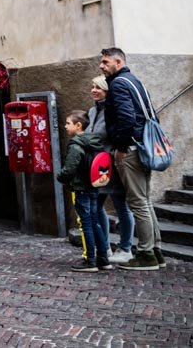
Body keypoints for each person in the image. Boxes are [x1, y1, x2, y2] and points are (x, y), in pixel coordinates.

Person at [100, 47, 164, 271]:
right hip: (142, 147)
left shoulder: (118, 84)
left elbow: (126, 118)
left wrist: (120, 146)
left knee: (138, 202)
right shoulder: (134, 80)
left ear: (119, 62)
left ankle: (146, 254)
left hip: (131, 150)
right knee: (145, 200)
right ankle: (156, 251)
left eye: (106, 62)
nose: (101, 65)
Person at [87, 76, 134, 263]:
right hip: (95, 166)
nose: (93, 90)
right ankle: (105, 247)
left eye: (98, 87)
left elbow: (119, 134)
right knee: (96, 206)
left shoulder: (112, 111)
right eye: (92, 87)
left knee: (121, 205)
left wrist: (116, 154)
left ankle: (126, 247)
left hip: (112, 164)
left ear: (107, 91)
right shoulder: (91, 111)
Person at [58, 110, 111, 272]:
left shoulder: (76, 144)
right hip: (94, 187)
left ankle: (90, 261)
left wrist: (60, 177)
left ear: (78, 125)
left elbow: (69, 169)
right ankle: (103, 259)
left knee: (86, 224)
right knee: (95, 223)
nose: (65, 126)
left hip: (81, 188)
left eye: (68, 123)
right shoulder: (95, 141)